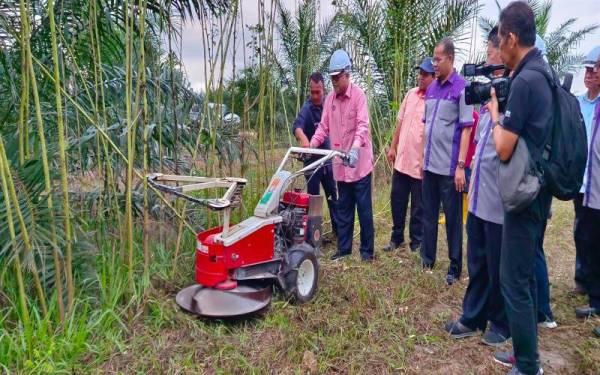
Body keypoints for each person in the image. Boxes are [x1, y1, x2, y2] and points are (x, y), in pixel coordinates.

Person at [488, 3, 553, 374]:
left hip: (525, 194)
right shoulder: (540, 71)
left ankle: (528, 365)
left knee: (513, 280)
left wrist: (496, 116)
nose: (500, 45)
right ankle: (524, 352)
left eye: (501, 38)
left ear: (512, 37)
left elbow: (503, 146)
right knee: (523, 277)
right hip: (536, 189)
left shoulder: (527, 81)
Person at [444, 26, 510, 347]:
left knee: (499, 265)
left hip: (500, 197)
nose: (486, 57)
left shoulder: (514, 93)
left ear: (505, 50)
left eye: (489, 51)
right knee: (478, 260)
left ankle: (500, 322)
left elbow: (505, 145)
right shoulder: (491, 93)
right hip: (481, 194)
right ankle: (472, 317)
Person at [310, 49, 375, 262]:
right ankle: (344, 249)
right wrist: (311, 146)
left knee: (364, 211)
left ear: (348, 74)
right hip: (341, 165)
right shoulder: (330, 100)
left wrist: (355, 148)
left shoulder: (359, 96)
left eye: (338, 77)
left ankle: (366, 252)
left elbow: (363, 126)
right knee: (344, 209)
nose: (335, 82)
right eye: (332, 78)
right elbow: (323, 127)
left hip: (359, 164)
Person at [421, 37, 474, 285]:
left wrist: (461, 167)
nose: (434, 64)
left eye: (438, 59)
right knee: (429, 214)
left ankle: (454, 266)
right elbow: (427, 128)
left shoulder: (462, 88)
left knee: (453, 219)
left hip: (450, 168)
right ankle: (427, 258)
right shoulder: (431, 89)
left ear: (450, 59)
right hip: (430, 166)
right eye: (433, 59)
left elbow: (466, 129)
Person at [383, 57, 435, 253]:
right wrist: (392, 147)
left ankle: (416, 241)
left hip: (419, 163)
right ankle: (396, 238)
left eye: (425, 74)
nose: (420, 77)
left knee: (418, 206)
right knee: (397, 200)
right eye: (419, 73)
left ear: (433, 76)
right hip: (401, 160)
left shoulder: (434, 100)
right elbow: (399, 123)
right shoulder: (410, 94)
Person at [292, 72, 339, 238]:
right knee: (313, 200)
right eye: (312, 92)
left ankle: (338, 232)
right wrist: (304, 140)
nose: (315, 96)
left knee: (333, 196)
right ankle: (313, 236)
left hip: (328, 162)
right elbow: (297, 127)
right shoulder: (307, 108)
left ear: (324, 89)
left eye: (318, 92)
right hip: (312, 165)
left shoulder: (330, 104)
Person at [573, 50, 600, 327]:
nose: (589, 74)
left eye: (594, 69)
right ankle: (585, 281)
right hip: (581, 180)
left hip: (598, 181)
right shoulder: (580, 102)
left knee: (593, 235)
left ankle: (595, 294)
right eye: (587, 69)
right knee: (583, 233)